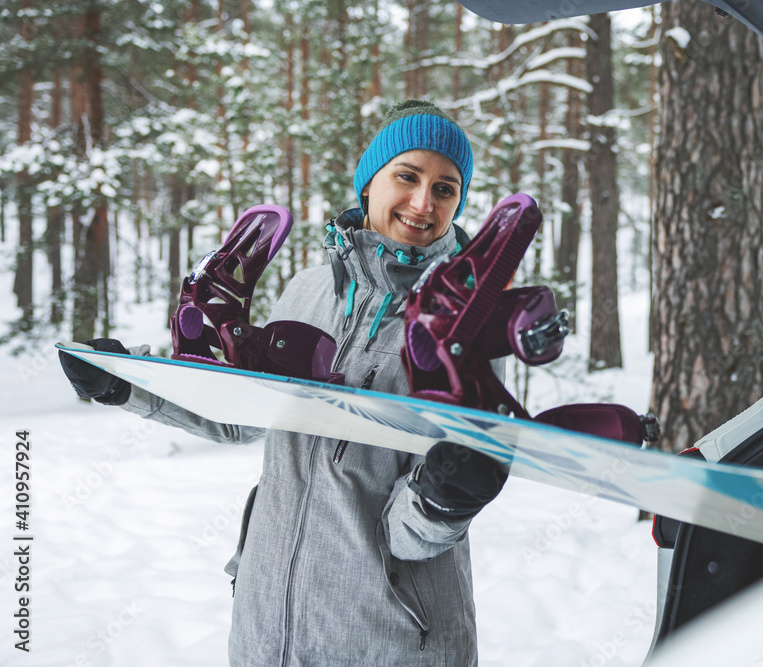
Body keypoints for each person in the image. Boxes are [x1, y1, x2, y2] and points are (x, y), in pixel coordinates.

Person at [60, 100, 508, 666]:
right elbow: (238, 412)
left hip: (390, 638)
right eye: (408, 176)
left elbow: (423, 515)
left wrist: (443, 501)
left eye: (446, 189)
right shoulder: (308, 290)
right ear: (368, 182)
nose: (424, 203)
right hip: (267, 627)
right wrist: (126, 384)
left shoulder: (469, 319)